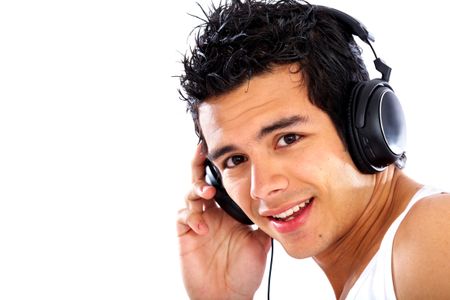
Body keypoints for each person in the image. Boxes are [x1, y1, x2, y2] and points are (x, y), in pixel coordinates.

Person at [176, 0, 450, 299]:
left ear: (367, 128)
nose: (262, 188)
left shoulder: (435, 236)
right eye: (236, 160)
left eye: (288, 139)